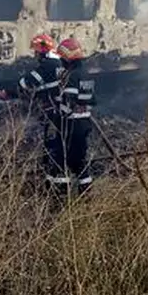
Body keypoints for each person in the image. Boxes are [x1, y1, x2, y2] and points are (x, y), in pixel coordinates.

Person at [0, 33, 65, 184]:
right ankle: (54, 176)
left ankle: (53, 180)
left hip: (53, 111)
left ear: (43, 51)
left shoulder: (47, 66)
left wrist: (7, 93)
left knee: (51, 145)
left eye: (36, 51)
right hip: (61, 109)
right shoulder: (59, 62)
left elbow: (26, 83)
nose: (35, 55)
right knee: (59, 142)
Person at [53, 37, 97, 196]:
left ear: (67, 59)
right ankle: (86, 195)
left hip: (71, 125)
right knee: (80, 161)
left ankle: (61, 196)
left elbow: (68, 102)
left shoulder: (72, 76)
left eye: (62, 58)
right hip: (84, 123)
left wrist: (57, 112)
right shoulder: (86, 74)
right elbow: (92, 100)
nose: (61, 61)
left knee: (61, 160)